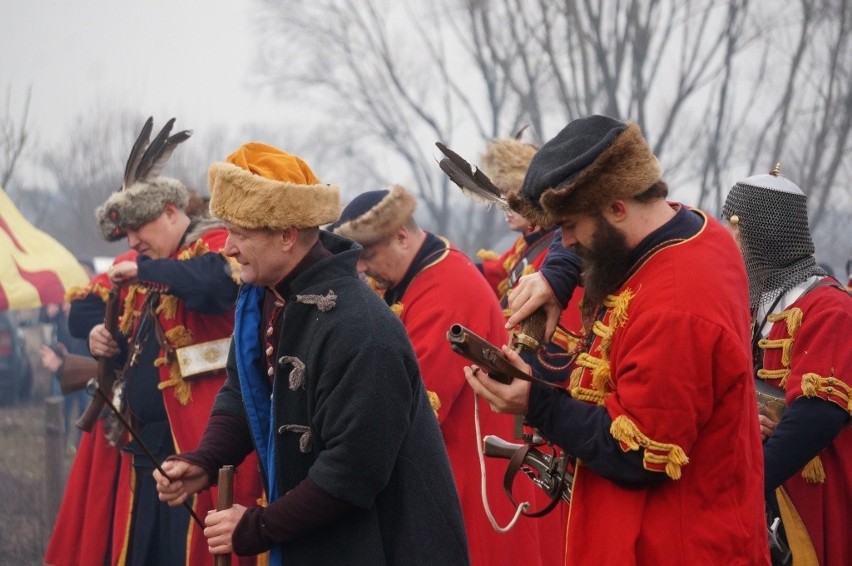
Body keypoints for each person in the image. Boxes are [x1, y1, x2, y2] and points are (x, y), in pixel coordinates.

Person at [465, 114, 770, 564]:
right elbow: (594, 247)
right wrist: (556, 276)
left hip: (677, 544)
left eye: (568, 226)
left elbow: (637, 453)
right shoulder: (689, 229)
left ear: (617, 208)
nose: (562, 242)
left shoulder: (676, 305)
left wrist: (536, 403)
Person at [154, 142, 469, 566]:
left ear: (287, 235)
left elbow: (352, 472)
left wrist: (257, 527)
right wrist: (206, 459)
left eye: (241, 234)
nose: (227, 247)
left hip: (386, 547)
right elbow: (244, 390)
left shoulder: (363, 329)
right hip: (315, 541)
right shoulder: (263, 296)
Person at [48, 117, 263, 566]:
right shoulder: (143, 258)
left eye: (138, 228)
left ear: (170, 213)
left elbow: (211, 286)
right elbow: (81, 307)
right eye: (126, 235)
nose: (131, 242)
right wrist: (96, 335)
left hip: (203, 437)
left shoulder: (216, 243)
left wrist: (144, 272)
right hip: (141, 441)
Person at [333, 185, 561, 566]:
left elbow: (413, 406)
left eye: (368, 255)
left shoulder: (444, 289)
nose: (361, 269)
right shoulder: (417, 274)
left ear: (402, 236)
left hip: (467, 479)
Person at [722, 166, 851, 566]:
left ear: (759, 235)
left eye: (734, 230)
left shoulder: (830, 309)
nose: (728, 241)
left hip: (809, 491)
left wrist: (745, 485)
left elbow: (816, 418)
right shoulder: (745, 306)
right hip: (750, 485)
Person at [474, 136, 584, 383]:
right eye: (500, 195)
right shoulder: (526, 243)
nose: (505, 206)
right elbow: (494, 274)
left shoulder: (562, 247)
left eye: (511, 195)